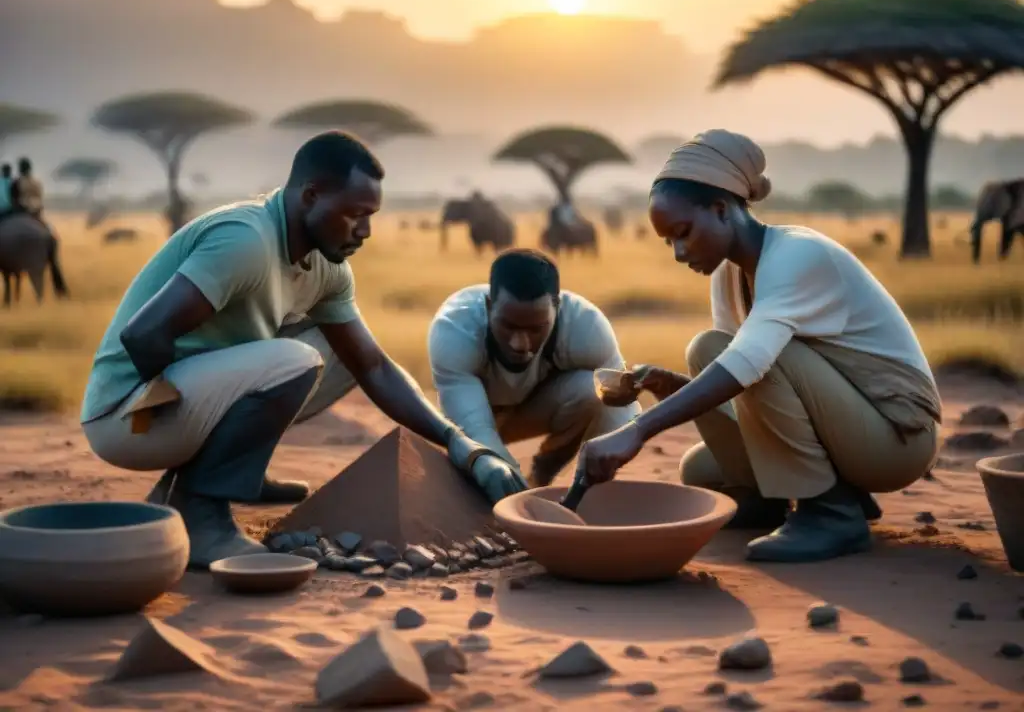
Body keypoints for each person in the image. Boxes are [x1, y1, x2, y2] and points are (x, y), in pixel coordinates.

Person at [80, 131, 506, 569]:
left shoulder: (326, 267)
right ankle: (201, 516)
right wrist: (186, 419)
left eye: (372, 215)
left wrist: (461, 444)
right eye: (354, 214)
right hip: (126, 417)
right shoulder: (246, 241)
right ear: (310, 195)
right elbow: (144, 335)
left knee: (340, 351)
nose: (366, 231)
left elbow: (374, 367)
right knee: (295, 360)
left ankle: (206, 479)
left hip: (183, 409)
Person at [575, 129, 941, 564]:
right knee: (703, 463)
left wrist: (636, 429)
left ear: (722, 209)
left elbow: (751, 364)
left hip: (896, 439)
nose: (677, 252)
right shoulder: (728, 276)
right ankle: (788, 498)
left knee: (748, 353)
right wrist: (669, 385)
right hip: (846, 434)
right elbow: (750, 393)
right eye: (668, 241)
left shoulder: (797, 255)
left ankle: (830, 512)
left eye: (683, 232)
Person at [428, 248, 641, 489]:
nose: (520, 344)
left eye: (536, 329)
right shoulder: (455, 331)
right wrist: (503, 475)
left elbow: (623, 408)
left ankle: (549, 477)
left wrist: (600, 465)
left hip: (534, 409)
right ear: (488, 306)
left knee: (599, 392)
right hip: (471, 415)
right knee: (480, 470)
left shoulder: (587, 327)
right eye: (508, 326)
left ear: (557, 307)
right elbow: (474, 427)